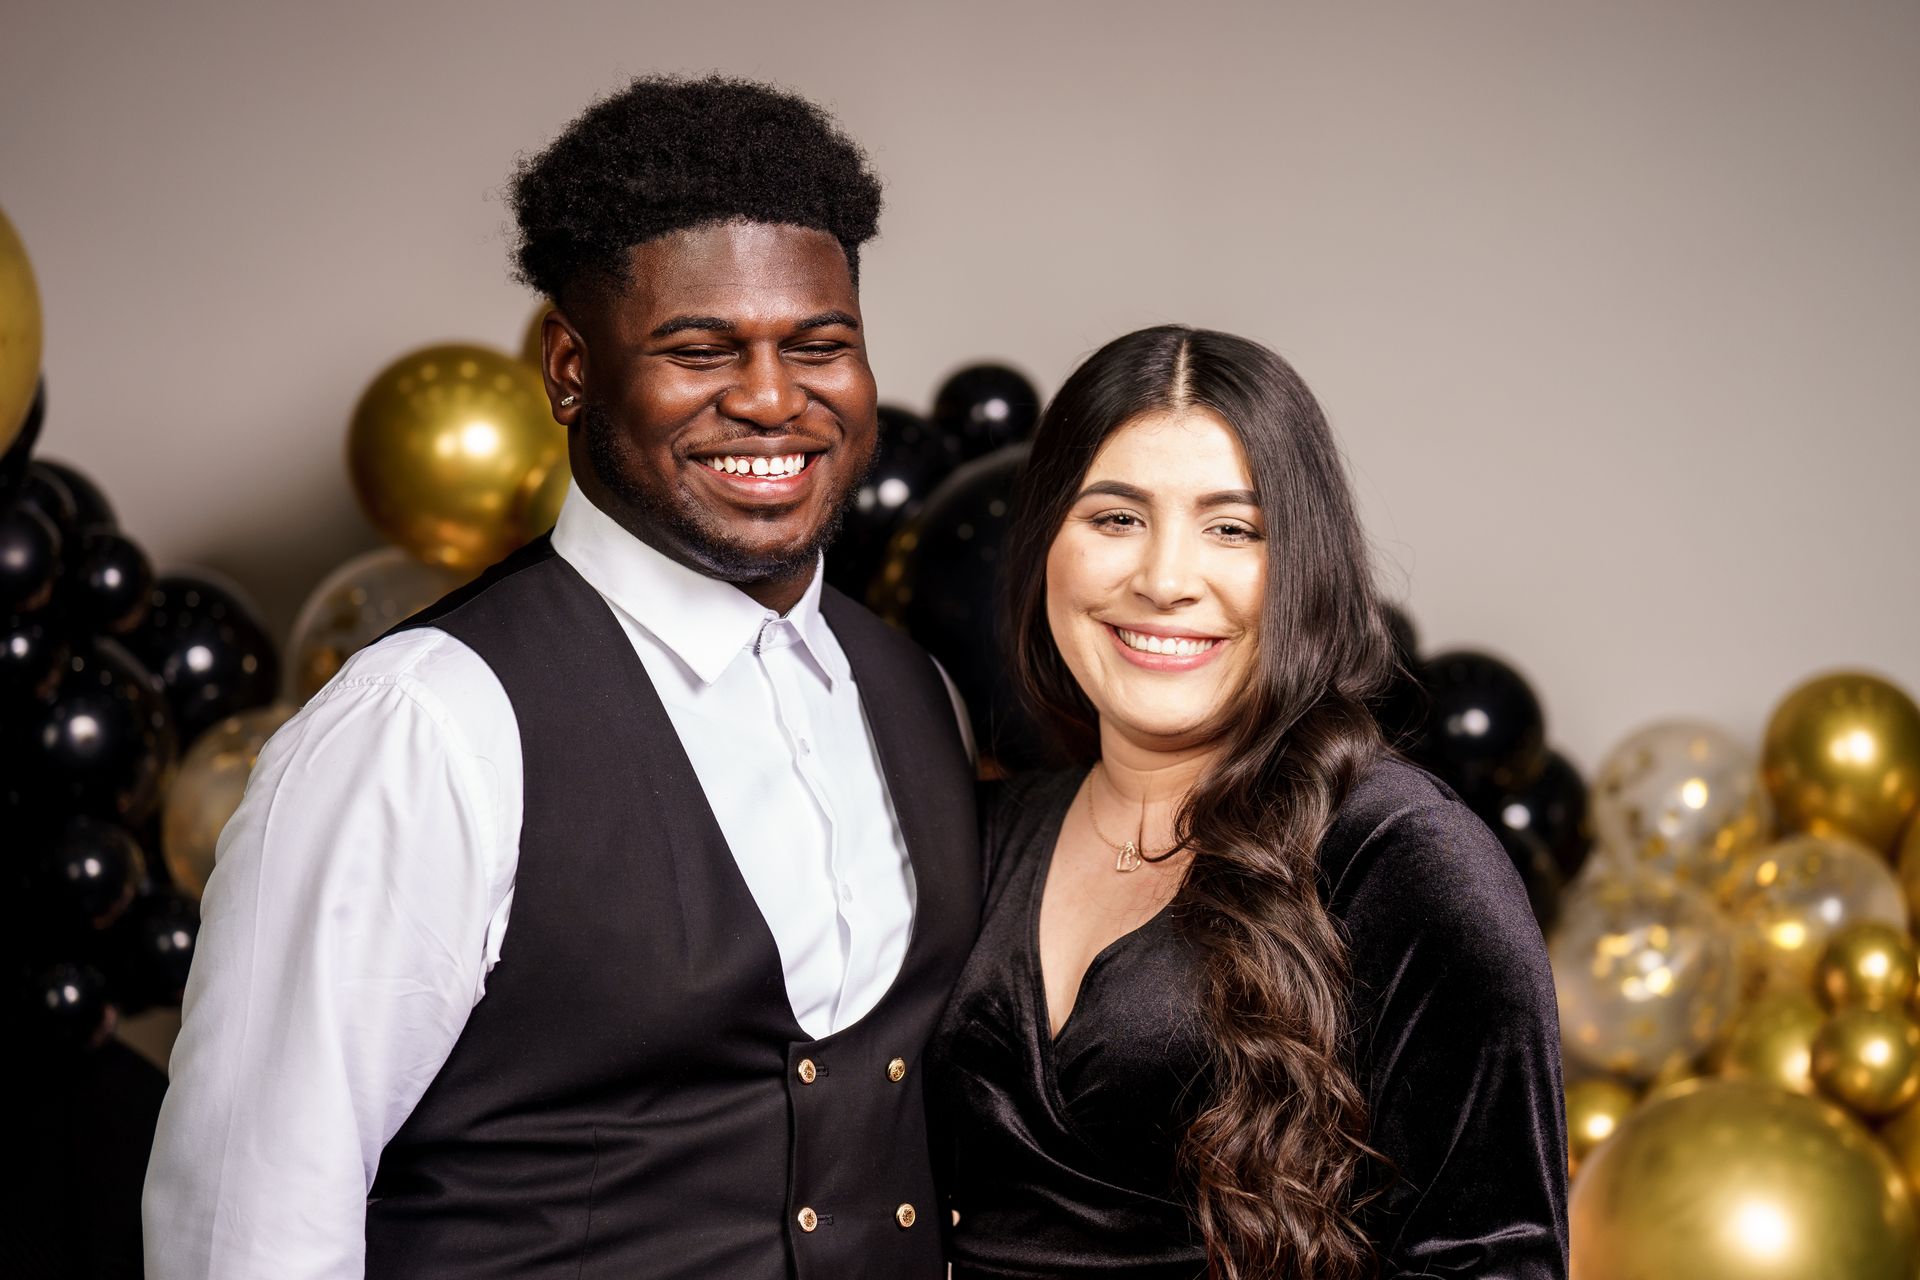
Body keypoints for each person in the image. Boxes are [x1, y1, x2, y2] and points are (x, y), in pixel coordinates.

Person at [144, 76, 980, 1279]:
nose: (770, 397)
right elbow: (247, 1232)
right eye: (700, 348)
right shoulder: (423, 726)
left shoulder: (916, 693)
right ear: (571, 370)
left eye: (819, 345)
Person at [928, 326, 1568, 1279]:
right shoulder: (981, 834)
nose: (1165, 580)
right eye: (1114, 519)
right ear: (1044, 546)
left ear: (1302, 567)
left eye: (1232, 529)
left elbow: (1497, 1260)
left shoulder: (1405, 856)